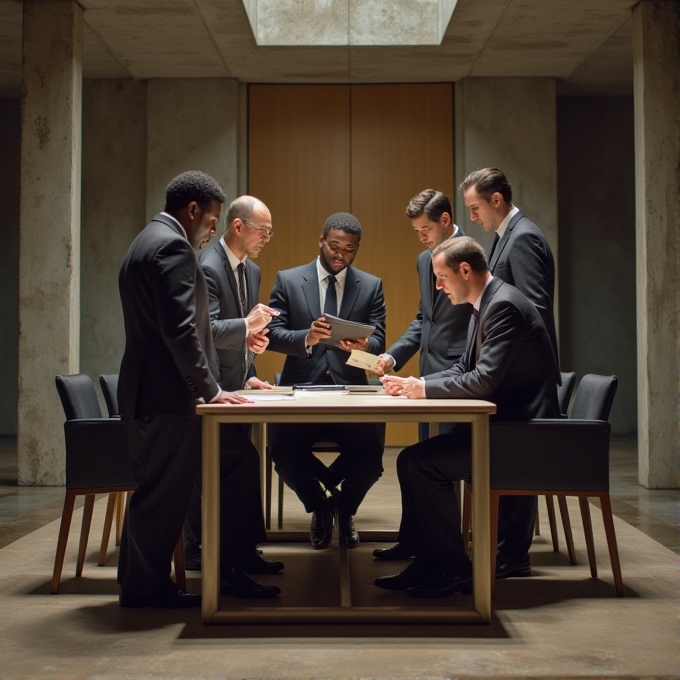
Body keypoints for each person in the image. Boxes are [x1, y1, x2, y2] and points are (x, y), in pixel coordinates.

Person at [117, 171, 279, 608]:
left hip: (146, 389)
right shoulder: (173, 246)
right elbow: (181, 330)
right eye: (211, 220)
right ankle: (146, 590)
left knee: (156, 493)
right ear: (193, 211)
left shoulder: (144, 240)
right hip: (167, 395)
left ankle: (140, 581)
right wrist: (210, 390)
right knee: (163, 497)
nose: (212, 230)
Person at [377, 236, 559, 597]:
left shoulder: (504, 305)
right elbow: (464, 367)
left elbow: (485, 379)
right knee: (411, 459)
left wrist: (424, 391)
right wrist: (418, 381)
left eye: (442, 277)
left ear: (465, 270)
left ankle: (452, 568)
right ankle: (431, 561)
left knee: (425, 465)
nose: (438, 287)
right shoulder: (487, 302)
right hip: (504, 428)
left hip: (520, 437)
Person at [267, 212, 386, 550]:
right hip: (302, 390)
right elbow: (272, 335)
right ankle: (320, 507)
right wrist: (306, 337)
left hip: (351, 391)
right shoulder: (288, 280)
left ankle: (345, 509)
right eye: (335, 246)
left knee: (370, 455)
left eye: (349, 250)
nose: (340, 254)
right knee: (284, 452)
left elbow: (379, 340)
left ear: (356, 249)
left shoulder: (370, 285)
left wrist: (366, 345)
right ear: (321, 241)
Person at [182, 196, 284, 584]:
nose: (267, 238)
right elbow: (203, 334)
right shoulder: (207, 267)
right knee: (240, 460)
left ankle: (241, 552)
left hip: (234, 389)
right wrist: (245, 326)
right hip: (206, 395)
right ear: (238, 226)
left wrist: (249, 363)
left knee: (243, 457)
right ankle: (219, 555)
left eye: (271, 232)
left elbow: (237, 334)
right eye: (263, 231)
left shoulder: (252, 271)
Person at [372, 189, 472, 562]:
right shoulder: (422, 260)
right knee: (417, 459)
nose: (421, 237)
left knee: (436, 468)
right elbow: (423, 319)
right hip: (427, 377)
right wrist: (393, 356)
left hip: (460, 376)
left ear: (446, 220)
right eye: (416, 230)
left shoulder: (473, 254)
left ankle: (443, 555)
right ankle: (414, 542)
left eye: (426, 228)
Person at [460, 167, 559, 363]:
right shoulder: (504, 235)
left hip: (525, 370)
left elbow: (535, 310)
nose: (473, 217)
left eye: (475, 208)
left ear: (497, 200)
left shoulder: (524, 237)